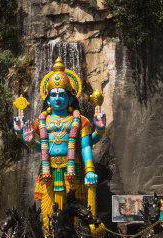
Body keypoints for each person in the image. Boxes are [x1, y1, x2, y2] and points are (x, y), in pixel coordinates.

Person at [13, 57, 106, 228]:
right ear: (47, 99)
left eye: (62, 94)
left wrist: (90, 170)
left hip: (73, 171)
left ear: (70, 98)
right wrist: (27, 138)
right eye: (54, 95)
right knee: (48, 216)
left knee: (72, 214)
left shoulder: (81, 121)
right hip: (48, 172)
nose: (57, 98)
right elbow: (42, 149)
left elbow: (85, 145)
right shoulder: (40, 123)